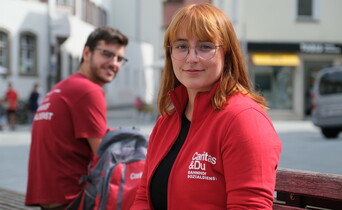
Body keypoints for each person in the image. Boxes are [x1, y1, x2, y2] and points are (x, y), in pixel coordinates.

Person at [131, 3, 282, 210]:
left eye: (205, 47)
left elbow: (249, 207)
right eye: (181, 46)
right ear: (170, 54)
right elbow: (143, 199)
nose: (192, 58)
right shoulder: (165, 122)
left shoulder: (245, 120)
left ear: (227, 54)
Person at [25, 26, 128, 210]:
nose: (114, 63)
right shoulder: (89, 90)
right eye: (107, 54)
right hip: (73, 199)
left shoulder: (63, 87)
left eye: (119, 58)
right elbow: (105, 157)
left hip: (48, 199)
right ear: (87, 53)